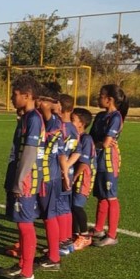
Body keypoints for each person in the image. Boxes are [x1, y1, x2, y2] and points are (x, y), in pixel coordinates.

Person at [0, 74, 45, 279]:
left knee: (26, 224)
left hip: (25, 180)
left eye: (15, 94)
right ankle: (22, 264)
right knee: (20, 223)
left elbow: (29, 153)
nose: (11, 98)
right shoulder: (25, 118)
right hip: (18, 176)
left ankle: (27, 273)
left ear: (27, 96)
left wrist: (18, 181)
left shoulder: (34, 119)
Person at [33, 83, 68, 272]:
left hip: (47, 176)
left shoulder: (53, 124)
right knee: (48, 215)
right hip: (51, 174)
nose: (37, 102)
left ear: (46, 103)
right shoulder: (53, 122)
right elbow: (61, 152)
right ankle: (52, 253)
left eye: (40, 99)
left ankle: (54, 257)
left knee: (49, 216)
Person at [90, 84, 129, 247]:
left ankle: (112, 234)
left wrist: (96, 143)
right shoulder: (99, 116)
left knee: (111, 196)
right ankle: (98, 229)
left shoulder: (116, 117)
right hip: (97, 159)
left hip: (108, 161)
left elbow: (106, 144)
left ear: (109, 99)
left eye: (101, 95)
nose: (98, 97)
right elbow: (90, 138)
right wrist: (95, 144)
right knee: (101, 195)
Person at [70, 108, 97, 250]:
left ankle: (85, 236)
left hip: (83, 177)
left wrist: (74, 177)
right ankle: (74, 235)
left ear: (81, 124)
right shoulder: (74, 136)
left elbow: (84, 163)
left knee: (76, 205)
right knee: (70, 206)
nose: (70, 121)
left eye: (72, 119)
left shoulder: (86, 139)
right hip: (74, 176)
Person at [56, 94, 80, 255]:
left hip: (59, 173)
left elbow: (61, 154)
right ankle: (66, 240)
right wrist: (69, 169)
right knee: (65, 207)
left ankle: (60, 242)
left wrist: (63, 172)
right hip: (68, 172)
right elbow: (77, 152)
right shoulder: (74, 128)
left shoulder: (60, 127)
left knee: (58, 208)